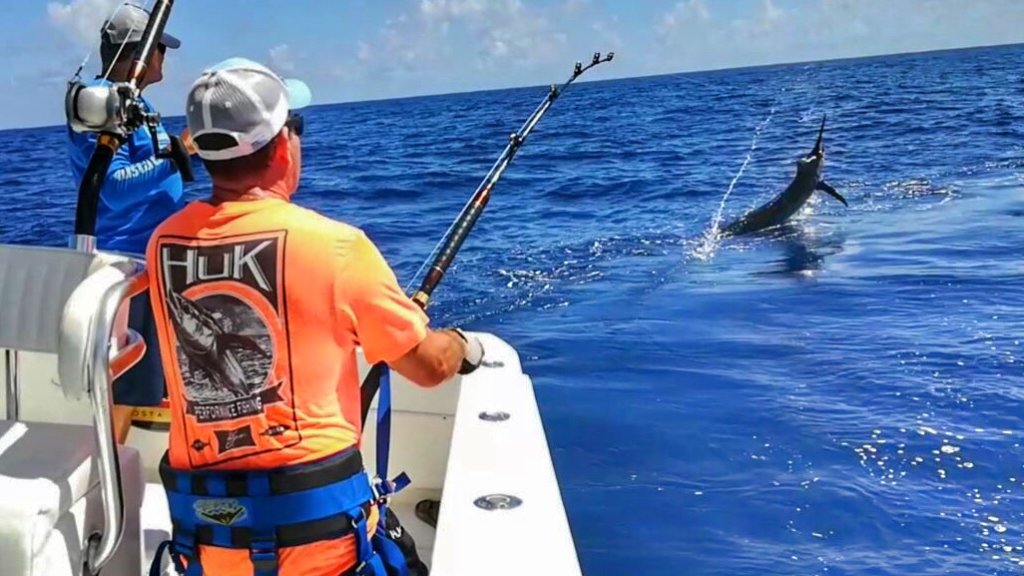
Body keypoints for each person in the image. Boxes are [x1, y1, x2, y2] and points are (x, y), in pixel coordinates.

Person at [145, 57, 483, 576]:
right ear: (283, 145)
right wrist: (460, 345)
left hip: (209, 548)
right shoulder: (336, 246)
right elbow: (427, 367)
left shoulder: (162, 245)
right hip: (324, 547)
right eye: (295, 127)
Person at [65, 2, 189, 441]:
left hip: (146, 263)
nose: (164, 58)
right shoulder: (99, 107)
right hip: (121, 266)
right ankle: (107, 479)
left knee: (139, 385)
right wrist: (180, 154)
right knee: (123, 386)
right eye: (161, 49)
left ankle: (117, 472)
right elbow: (113, 189)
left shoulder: (132, 105)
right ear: (138, 52)